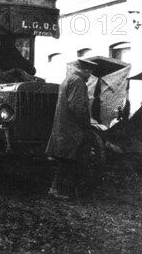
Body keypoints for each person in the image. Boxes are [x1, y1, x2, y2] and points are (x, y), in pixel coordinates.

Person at [45, 58, 98, 199]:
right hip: (72, 128)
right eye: (89, 72)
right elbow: (77, 106)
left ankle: (61, 188)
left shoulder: (69, 79)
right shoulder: (78, 82)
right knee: (69, 159)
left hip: (64, 125)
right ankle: (57, 189)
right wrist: (86, 124)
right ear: (85, 70)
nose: (89, 76)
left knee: (67, 159)